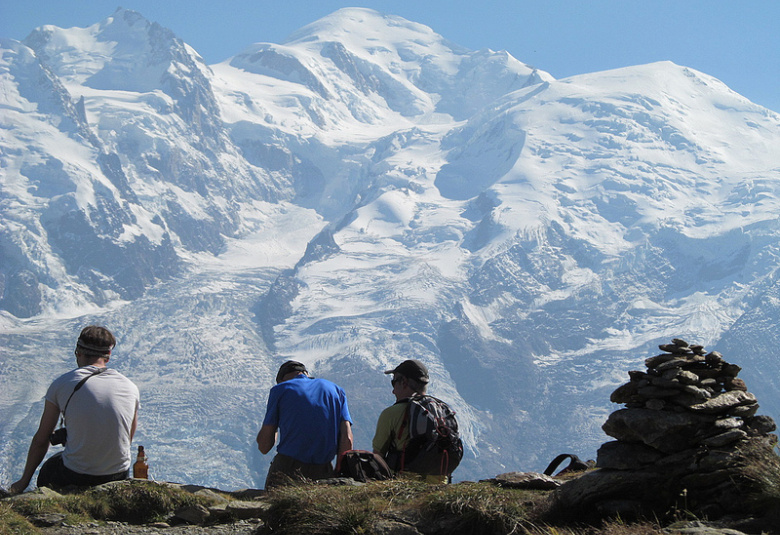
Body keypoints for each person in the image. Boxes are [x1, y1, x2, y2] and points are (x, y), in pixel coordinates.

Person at [10, 326, 140, 493]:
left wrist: (23, 482)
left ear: (78, 351)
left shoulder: (62, 384)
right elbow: (127, 438)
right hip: (118, 474)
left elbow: (41, 440)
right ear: (108, 356)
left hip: (77, 475)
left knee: (50, 467)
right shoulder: (130, 387)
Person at [256, 360, 353, 489]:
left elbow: (264, 446)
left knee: (275, 507)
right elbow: (347, 439)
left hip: (288, 468)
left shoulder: (280, 389)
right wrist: (337, 471)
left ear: (282, 379)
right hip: (324, 469)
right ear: (305, 374)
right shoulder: (336, 390)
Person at [373, 359, 460, 483]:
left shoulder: (391, 413)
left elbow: (377, 457)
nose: (393, 390)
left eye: (394, 382)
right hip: (440, 487)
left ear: (403, 382)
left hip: (404, 486)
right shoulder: (443, 411)